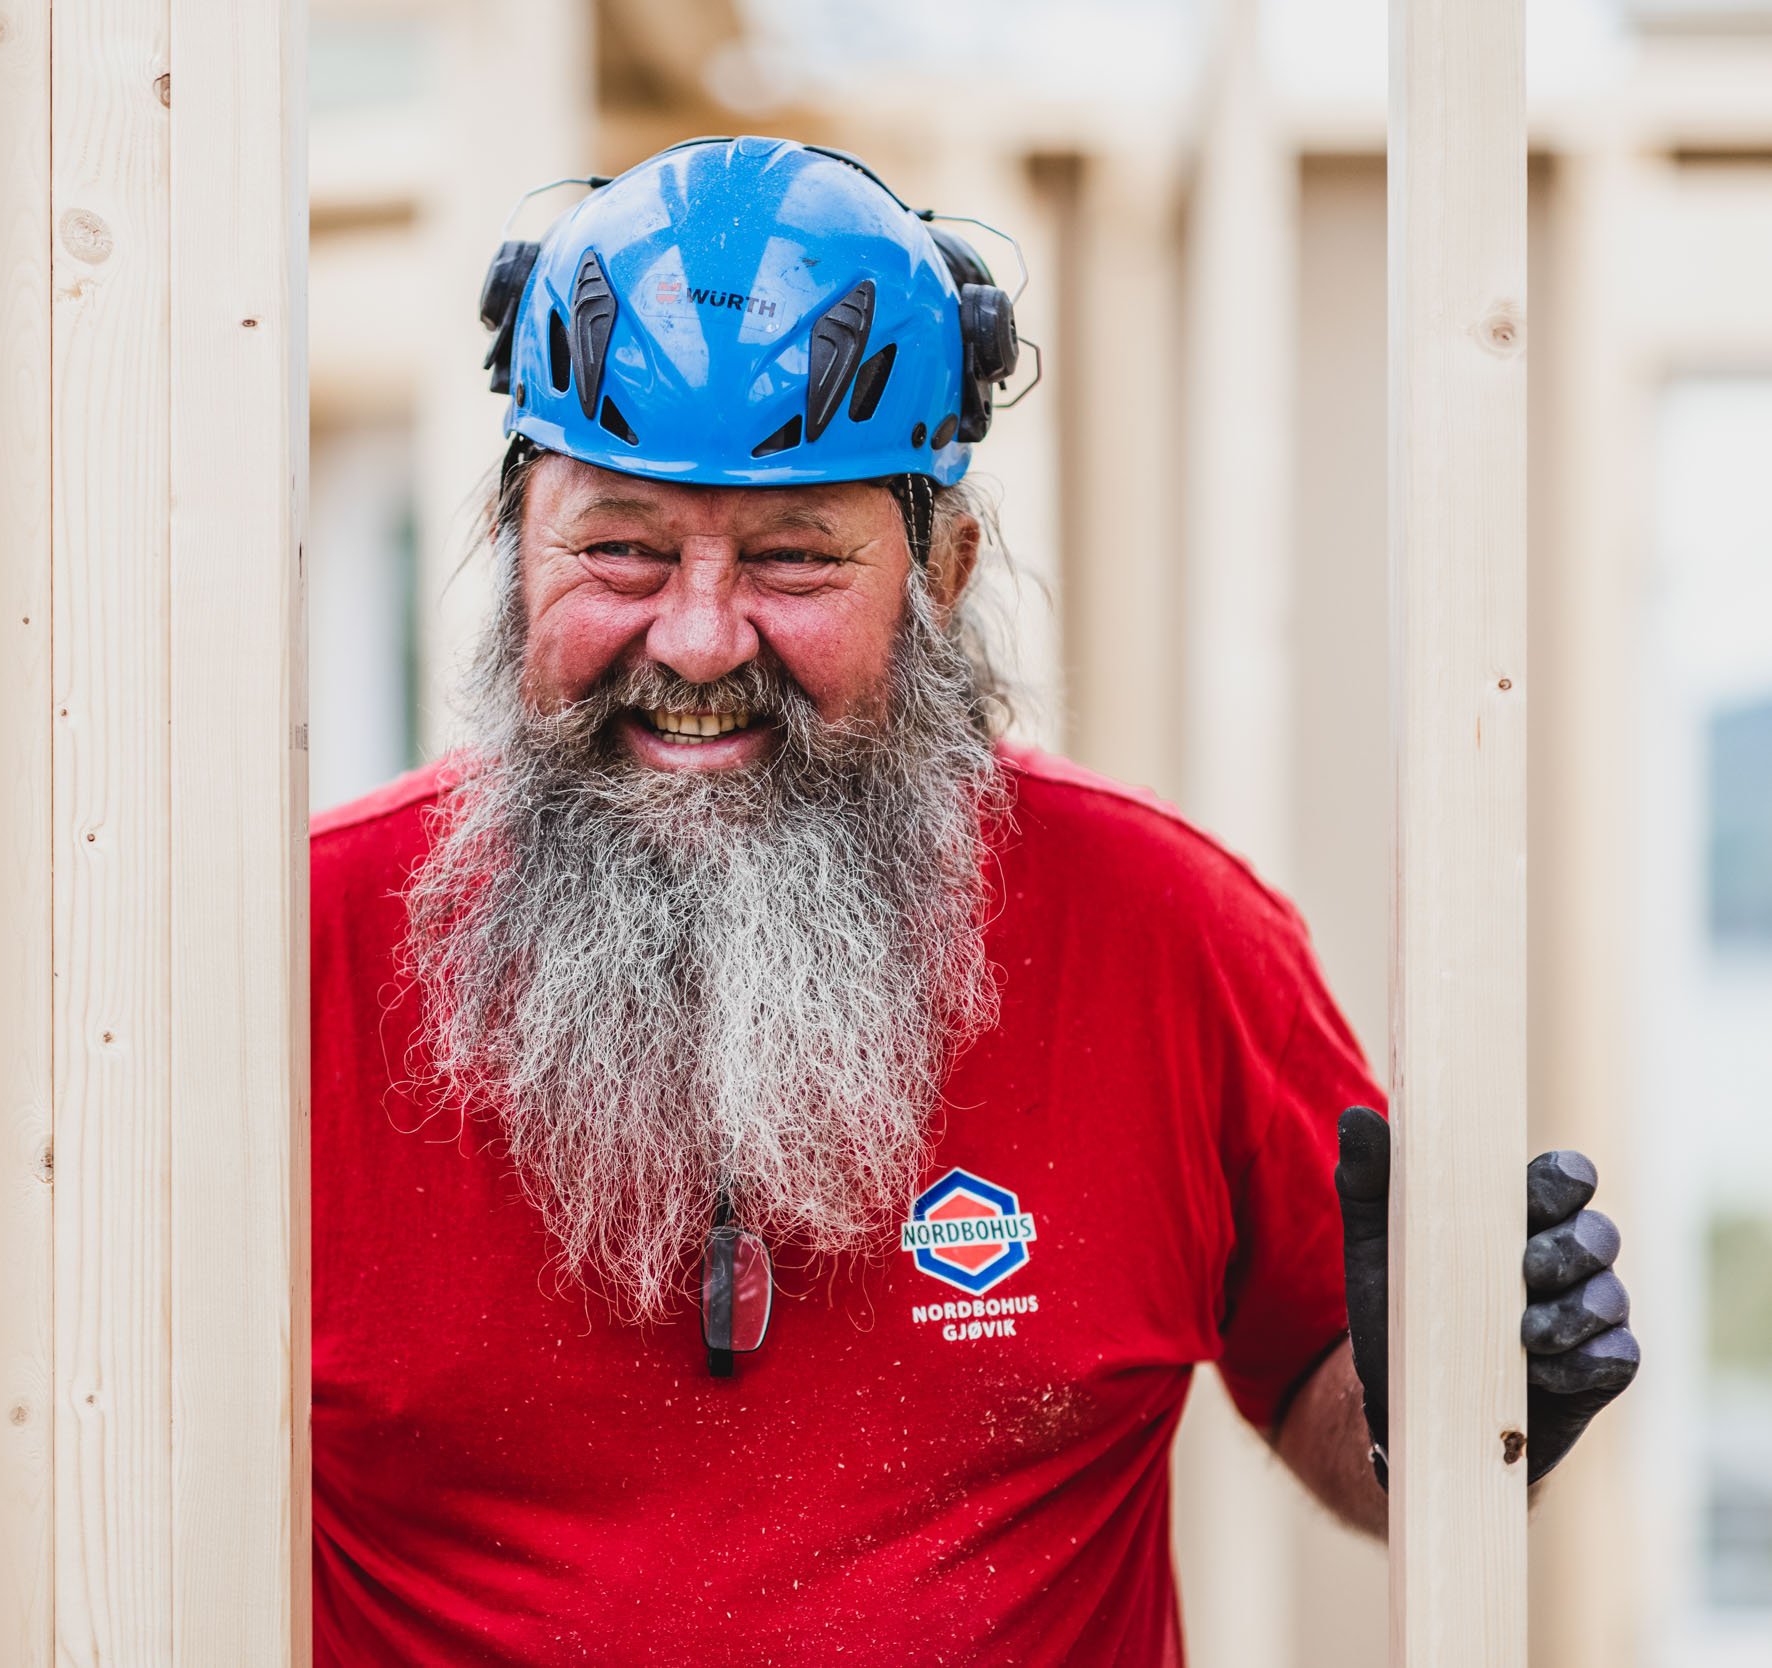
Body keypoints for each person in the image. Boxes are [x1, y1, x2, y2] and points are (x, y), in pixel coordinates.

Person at [310, 136, 1636, 1666]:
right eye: (619, 547)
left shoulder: (1169, 936)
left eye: (795, 559)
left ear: (944, 570)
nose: (692, 638)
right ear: (510, 538)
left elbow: (1341, 1425)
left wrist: (1461, 1408)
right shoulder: (304, 958)